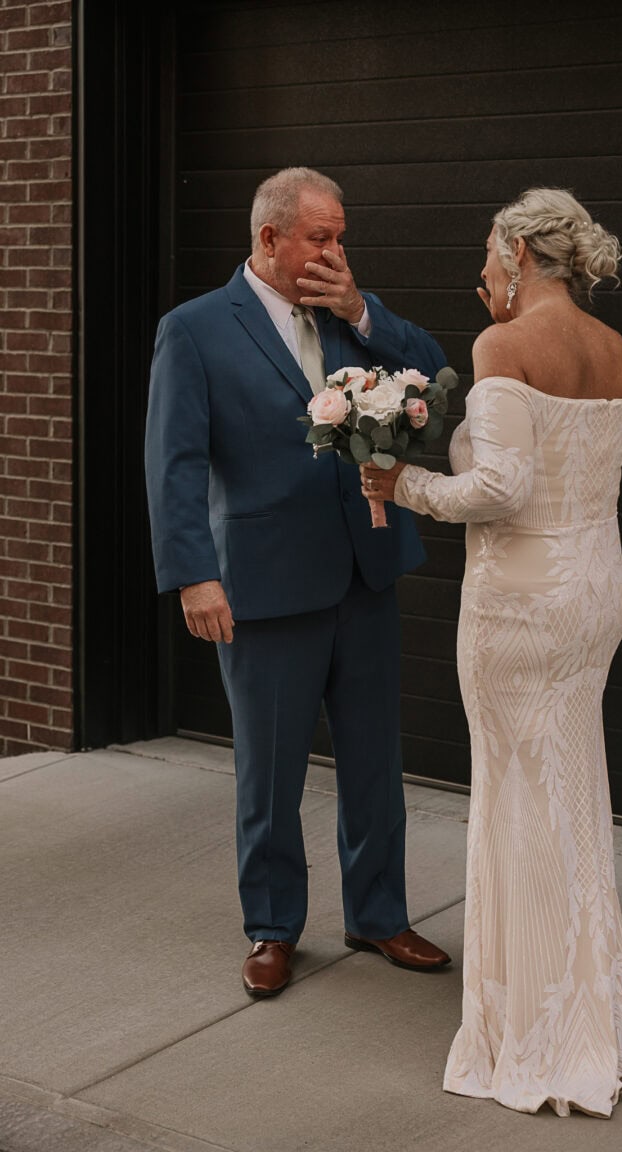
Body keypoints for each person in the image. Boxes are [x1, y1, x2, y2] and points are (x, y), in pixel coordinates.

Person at [362, 188, 622, 1117]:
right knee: (570, 792)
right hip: (596, 592)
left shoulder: (503, 346)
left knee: (515, 803)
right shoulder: (611, 348)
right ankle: (590, 1016)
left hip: (523, 608)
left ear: (523, 255)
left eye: (490, 254)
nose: (483, 272)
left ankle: (533, 1033)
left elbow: (496, 489)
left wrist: (397, 478)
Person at [145, 167, 451, 998]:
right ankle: (273, 928)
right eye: (321, 237)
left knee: (374, 761)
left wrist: (361, 310)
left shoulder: (352, 313)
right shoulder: (196, 329)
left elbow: (438, 377)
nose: (335, 252)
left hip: (367, 571)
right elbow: (172, 465)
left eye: (341, 236)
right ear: (269, 237)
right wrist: (192, 578)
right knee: (271, 772)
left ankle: (379, 914)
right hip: (263, 584)